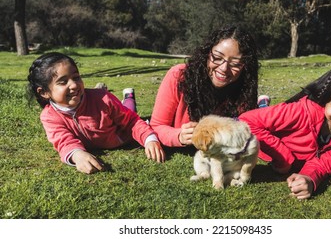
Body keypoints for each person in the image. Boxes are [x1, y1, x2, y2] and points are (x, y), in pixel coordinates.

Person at [239, 63, 331, 199]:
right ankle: (263, 104)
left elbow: (324, 163)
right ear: (326, 99)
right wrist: (283, 160)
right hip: (271, 144)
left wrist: (309, 178)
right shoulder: (300, 112)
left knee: (267, 114)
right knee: (263, 114)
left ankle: (263, 105)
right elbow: (246, 122)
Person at [27, 52, 165, 174]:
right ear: (44, 92)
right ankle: (127, 97)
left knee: (129, 111)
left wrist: (149, 139)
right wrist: (77, 154)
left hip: (122, 136)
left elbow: (132, 121)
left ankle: (129, 97)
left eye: (76, 77)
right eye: (63, 82)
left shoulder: (103, 99)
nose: (74, 85)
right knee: (125, 108)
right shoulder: (49, 116)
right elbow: (63, 141)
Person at [150, 25, 260, 147]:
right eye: (217, 58)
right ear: (207, 53)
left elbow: (247, 133)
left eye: (235, 64)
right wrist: (179, 136)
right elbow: (156, 126)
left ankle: (262, 103)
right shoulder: (179, 76)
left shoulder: (245, 89)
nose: (224, 68)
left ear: (246, 67)